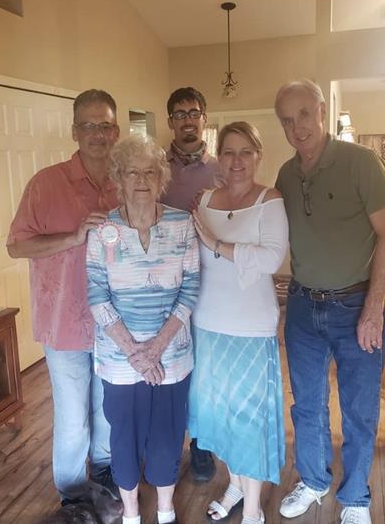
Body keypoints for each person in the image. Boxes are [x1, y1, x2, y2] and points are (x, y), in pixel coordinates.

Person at [273, 79, 385, 524]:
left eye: (304, 114)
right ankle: (312, 480)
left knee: (359, 410)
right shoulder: (286, 175)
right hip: (303, 306)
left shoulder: (361, 162)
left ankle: (356, 499)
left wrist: (373, 309)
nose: (297, 127)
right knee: (306, 405)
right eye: (287, 120)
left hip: (356, 305)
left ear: (322, 111)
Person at [7, 89, 121, 506]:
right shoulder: (45, 183)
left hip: (116, 323)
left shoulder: (127, 182)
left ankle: (106, 471)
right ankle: (73, 496)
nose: (97, 134)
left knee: (109, 407)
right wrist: (73, 238)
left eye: (105, 125)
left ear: (116, 131)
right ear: (74, 131)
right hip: (64, 324)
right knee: (73, 415)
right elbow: (16, 246)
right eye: (88, 125)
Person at [86, 135, 200, 524]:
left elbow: (191, 287)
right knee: (125, 437)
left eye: (150, 172)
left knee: (168, 434)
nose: (141, 180)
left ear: (161, 178)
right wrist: (135, 352)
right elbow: (97, 297)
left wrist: (156, 348)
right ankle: (132, 513)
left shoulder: (182, 223)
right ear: (118, 177)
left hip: (172, 354)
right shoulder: (103, 230)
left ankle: (166, 509)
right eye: (132, 172)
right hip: (120, 360)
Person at [189, 121, 289, 524]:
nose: (236, 160)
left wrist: (216, 244)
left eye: (246, 152)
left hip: (250, 328)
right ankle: (234, 484)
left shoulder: (270, 199)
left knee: (249, 421)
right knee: (220, 415)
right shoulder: (205, 199)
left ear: (258, 156)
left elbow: (271, 259)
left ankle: (252, 509)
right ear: (218, 157)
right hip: (207, 323)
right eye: (228, 152)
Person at [161, 86, 220, 482]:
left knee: (203, 368)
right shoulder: (155, 168)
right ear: (170, 121)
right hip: (164, 283)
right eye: (180, 114)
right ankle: (166, 445)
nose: (187, 120)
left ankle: (201, 445)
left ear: (204, 118)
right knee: (168, 365)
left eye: (194, 113)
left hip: (212, 282)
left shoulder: (221, 169)